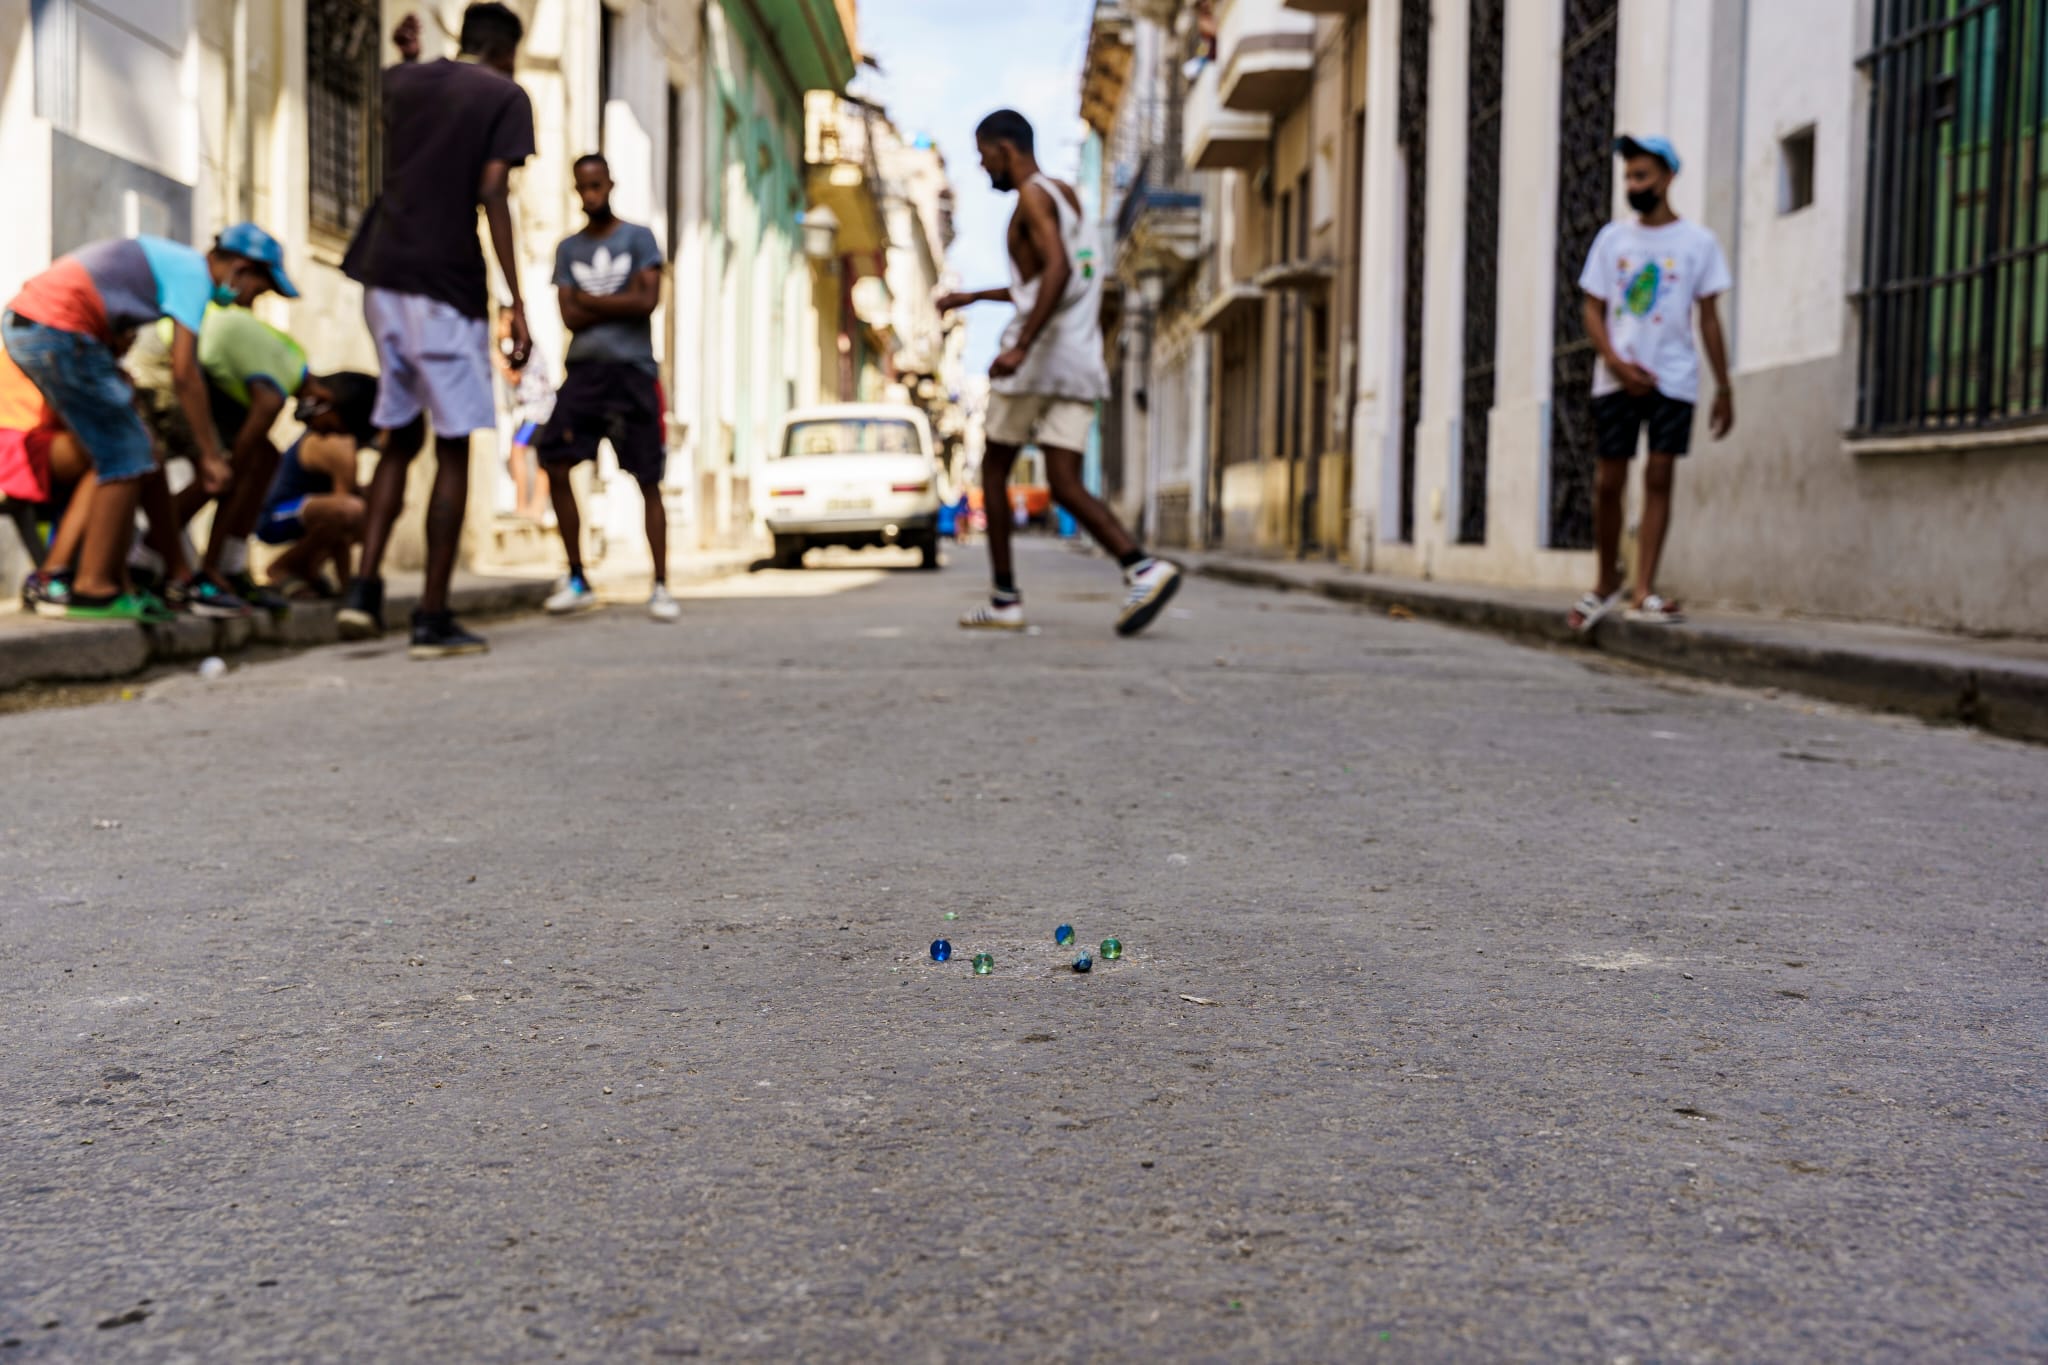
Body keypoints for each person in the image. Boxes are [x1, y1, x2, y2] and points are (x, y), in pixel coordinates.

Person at [338, 3, 536, 659]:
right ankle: (431, 613)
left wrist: (405, 57)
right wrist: (516, 299)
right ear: (508, 49)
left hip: (381, 273)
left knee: (398, 436)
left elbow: (393, 102)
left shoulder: (405, 80)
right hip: (446, 285)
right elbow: (492, 192)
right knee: (453, 446)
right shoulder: (505, 96)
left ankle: (364, 594)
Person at [938, 109, 1180, 637]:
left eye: (984, 157)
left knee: (995, 471)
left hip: (1040, 358)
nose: (985, 170)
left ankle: (1004, 599)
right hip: (1078, 356)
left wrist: (1021, 346)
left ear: (1006, 148)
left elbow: (1059, 272)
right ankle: (1142, 567)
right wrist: (974, 297)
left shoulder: (1031, 197)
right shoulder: (1066, 195)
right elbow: (1050, 279)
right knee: (1066, 482)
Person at [2, 227, 293, 621]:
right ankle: (92, 588)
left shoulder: (171, 267)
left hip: (46, 325)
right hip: (56, 328)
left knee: (139, 449)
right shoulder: (194, 275)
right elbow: (185, 373)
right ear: (239, 268)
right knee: (126, 453)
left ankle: (163, 576)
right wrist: (210, 454)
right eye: (258, 289)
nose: (252, 301)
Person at [1569, 134, 1734, 633]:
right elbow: (1591, 309)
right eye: (1628, 177)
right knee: (1608, 481)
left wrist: (1724, 387)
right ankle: (1604, 581)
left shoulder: (1697, 244)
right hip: (1616, 379)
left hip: (1674, 378)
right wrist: (1617, 364)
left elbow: (1708, 319)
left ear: (1667, 178)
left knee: (1659, 475)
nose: (1633, 185)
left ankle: (1644, 589)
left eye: (1642, 176)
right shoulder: (1611, 240)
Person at [535, 153, 678, 622]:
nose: (591, 194)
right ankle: (577, 576)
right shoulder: (567, 249)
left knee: (649, 479)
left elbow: (647, 301)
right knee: (554, 459)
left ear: (610, 185)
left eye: (598, 185)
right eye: (584, 187)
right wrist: (619, 301)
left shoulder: (639, 238)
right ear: (577, 190)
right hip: (584, 374)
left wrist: (592, 300)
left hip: (633, 372)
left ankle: (660, 585)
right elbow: (569, 314)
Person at [256, 372, 376, 598]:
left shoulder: (347, 442)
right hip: (273, 517)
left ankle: (306, 568)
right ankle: (283, 567)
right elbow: (343, 522)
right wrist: (348, 589)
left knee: (378, 506)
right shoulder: (339, 447)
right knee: (351, 510)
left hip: (309, 512)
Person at [495, 305, 554, 522]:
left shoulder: (522, 347)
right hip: (542, 411)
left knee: (518, 452)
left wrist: (498, 361)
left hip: (536, 413)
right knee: (540, 459)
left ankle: (524, 506)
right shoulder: (525, 346)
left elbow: (515, 378)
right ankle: (535, 507)